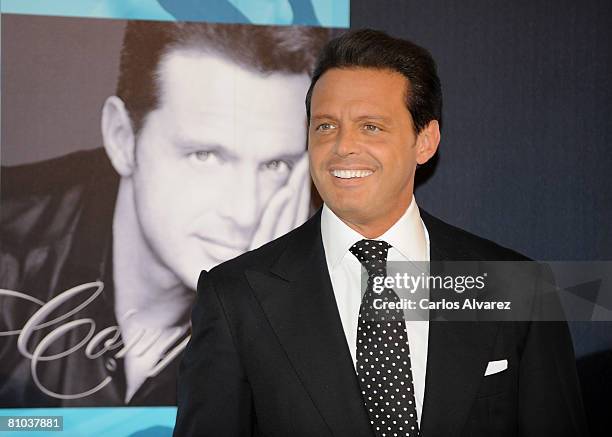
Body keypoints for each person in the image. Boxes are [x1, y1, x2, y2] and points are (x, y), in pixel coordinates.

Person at [174, 29, 589, 436]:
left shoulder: (516, 286)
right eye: (325, 126)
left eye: (371, 126)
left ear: (425, 141)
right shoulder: (236, 298)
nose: (343, 146)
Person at [0, 21, 329, 407]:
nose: (245, 212)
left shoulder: (334, 281)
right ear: (122, 139)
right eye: (205, 156)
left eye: (275, 165)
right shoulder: (10, 256)